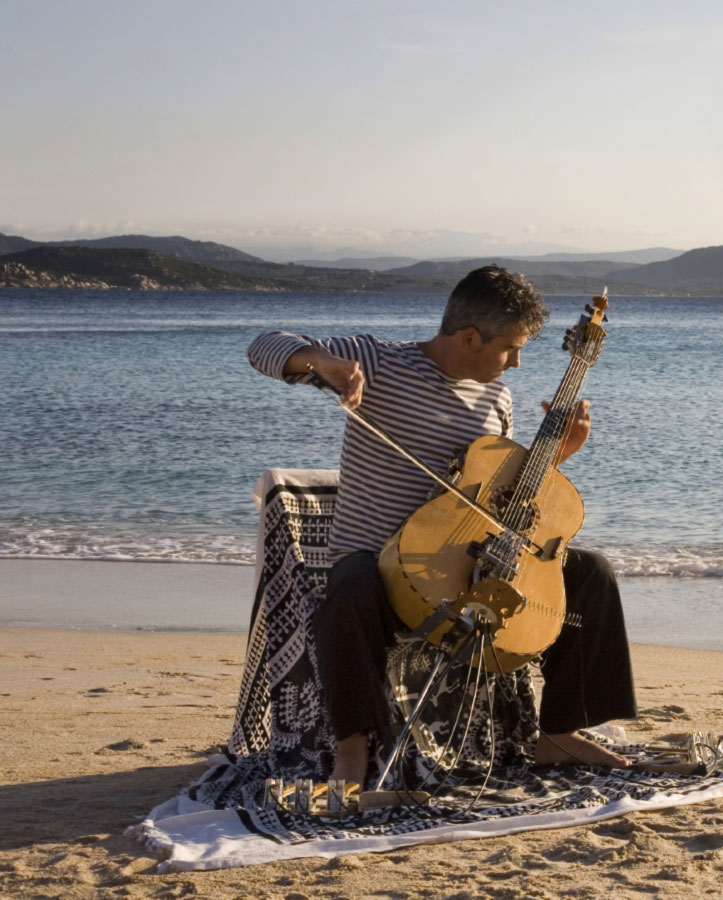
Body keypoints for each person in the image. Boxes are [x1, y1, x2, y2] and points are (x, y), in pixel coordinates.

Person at [247, 265, 636, 785]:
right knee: (350, 586)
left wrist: (555, 458)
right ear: (470, 337)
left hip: (463, 562)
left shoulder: (495, 398)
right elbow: (264, 345)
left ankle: (559, 731)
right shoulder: (380, 362)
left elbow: (500, 498)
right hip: (378, 561)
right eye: (510, 348)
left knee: (593, 572)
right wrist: (323, 362)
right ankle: (352, 748)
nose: (517, 363)